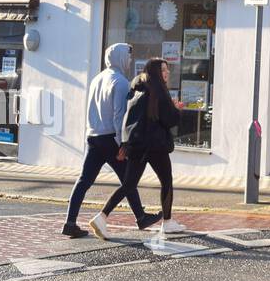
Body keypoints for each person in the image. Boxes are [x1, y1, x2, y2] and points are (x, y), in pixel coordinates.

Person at [63, 43, 159, 238]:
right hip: (111, 139)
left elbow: (90, 110)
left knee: (83, 181)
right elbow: (119, 116)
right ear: (121, 58)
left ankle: (70, 222)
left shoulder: (96, 79)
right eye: (128, 57)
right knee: (128, 179)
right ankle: (140, 217)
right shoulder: (121, 82)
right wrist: (122, 144)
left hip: (93, 136)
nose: (130, 60)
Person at [91, 58, 185, 240]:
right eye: (163, 70)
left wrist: (125, 143)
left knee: (128, 184)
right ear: (157, 73)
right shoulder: (158, 90)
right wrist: (176, 109)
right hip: (154, 144)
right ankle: (167, 222)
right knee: (166, 180)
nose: (166, 73)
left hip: (137, 143)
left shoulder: (138, 88)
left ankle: (101, 217)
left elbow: (132, 117)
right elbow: (169, 119)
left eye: (167, 70)